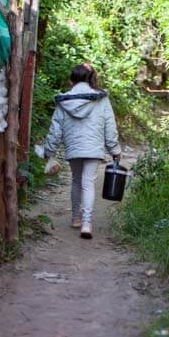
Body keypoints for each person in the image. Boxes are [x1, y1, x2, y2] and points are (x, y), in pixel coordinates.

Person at [43, 63, 122, 239]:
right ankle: (86, 224)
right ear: (90, 79)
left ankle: (76, 218)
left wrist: (48, 151)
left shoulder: (64, 101)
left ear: (72, 80)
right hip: (93, 147)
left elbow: (55, 129)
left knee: (77, 181)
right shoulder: (101, 98)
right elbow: (110, 126)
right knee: (88, 183)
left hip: (73, 147)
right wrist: (115, 149)